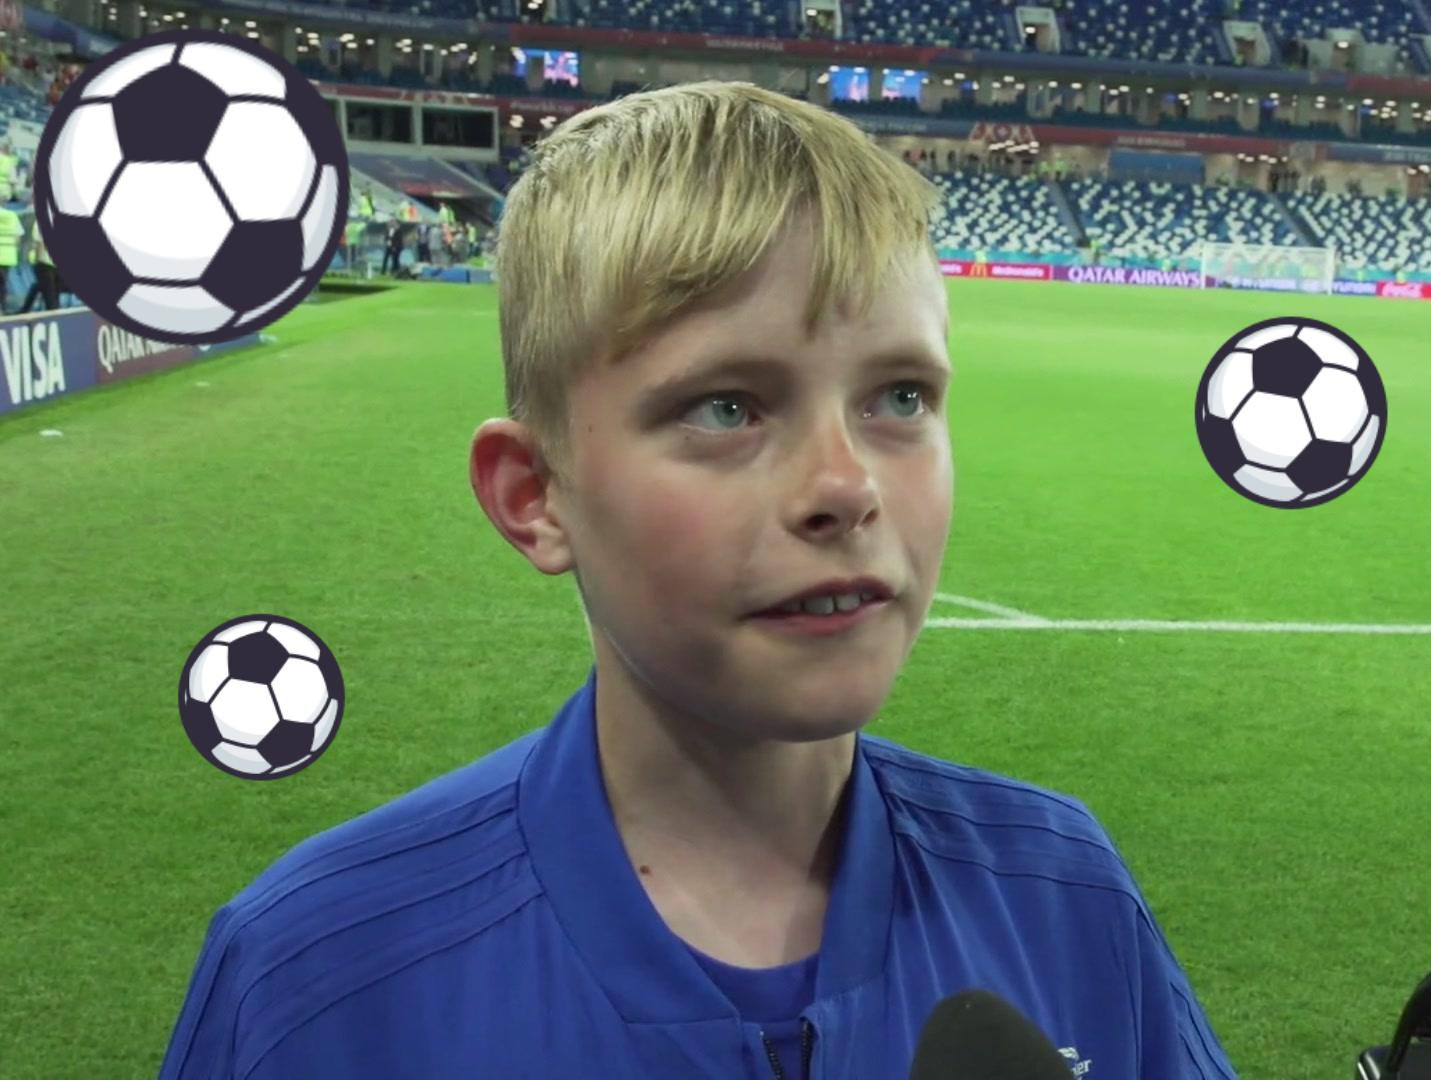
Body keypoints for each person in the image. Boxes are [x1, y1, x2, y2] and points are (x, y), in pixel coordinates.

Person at [157, 81, 1238, 1080]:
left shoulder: (1064, 896)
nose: (845, 486)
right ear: (535, 494)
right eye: (727, 407)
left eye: (900, 397)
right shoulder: (316, 977)